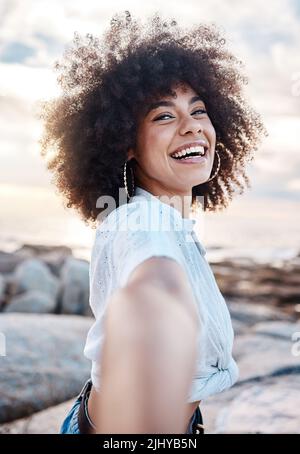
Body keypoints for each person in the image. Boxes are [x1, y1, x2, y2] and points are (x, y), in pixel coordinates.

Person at [39, 11, 266, 434]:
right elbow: (154, 286)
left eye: (198, 111)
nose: (192, 127)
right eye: (164, 116)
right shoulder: (137, 220)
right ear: (125, 142)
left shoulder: (173, 224)